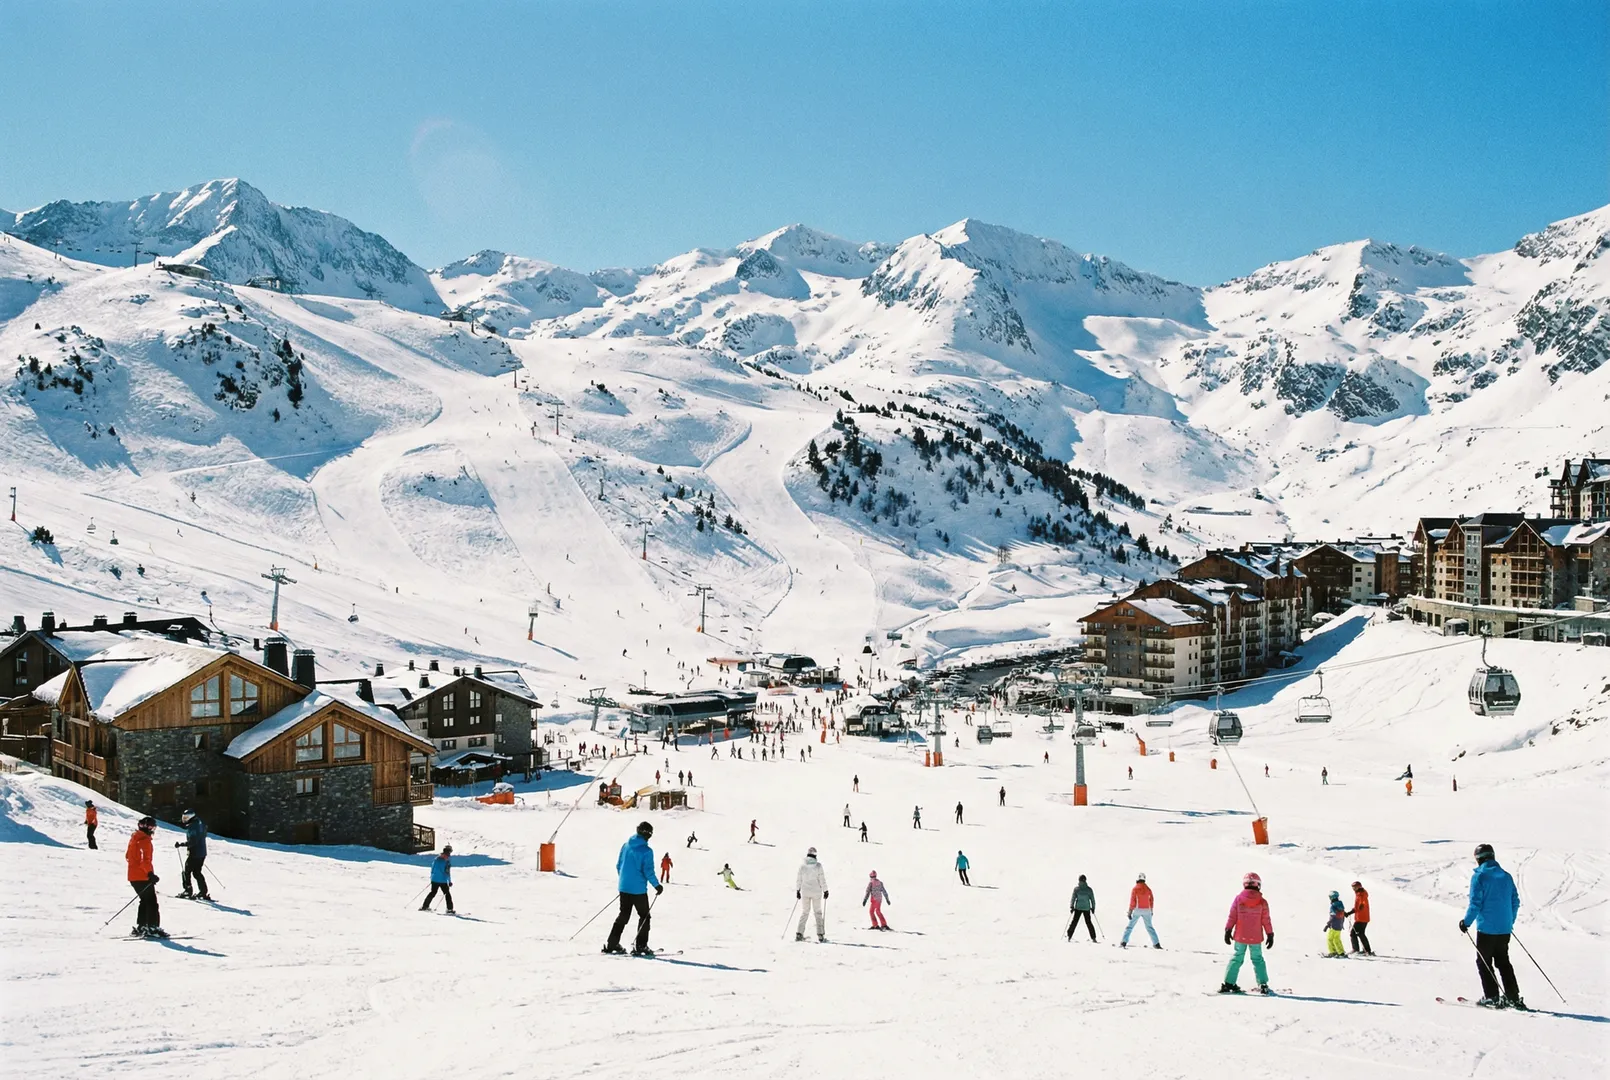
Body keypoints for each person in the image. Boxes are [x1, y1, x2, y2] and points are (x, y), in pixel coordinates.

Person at [1461, 843, 1524, 1008]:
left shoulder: (1479, 877)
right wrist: (1509, 921)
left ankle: (1492, 996)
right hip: (1505, 928)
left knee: (1483, 962)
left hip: (1486, 929)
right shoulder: (1506, 876)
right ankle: (1513, 996)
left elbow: (1475, 904)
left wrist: (1466, 923)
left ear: (1478, 859)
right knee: (1503, 962)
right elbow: (1515, 902)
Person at [604, 822, 663, 956]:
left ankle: (612, 943)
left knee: (623, 915)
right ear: (647, 834)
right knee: (644, 916)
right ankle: (641, 946)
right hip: (638, 891)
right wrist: (657, 885)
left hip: (624, 887)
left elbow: (619, 865)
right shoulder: (646, 851)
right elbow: (648, 871)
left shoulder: (626, 845)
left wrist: (625, 882)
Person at [1220, 871, 1274, 994]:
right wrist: (1270, 934)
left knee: (1237, 957)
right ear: (1258, 885)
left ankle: (1229, 983)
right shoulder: (1262, 902)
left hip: (1240, 936)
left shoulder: (1238, 899)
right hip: (1256, 937)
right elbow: (1266, 920)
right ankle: (1263, 984)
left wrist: (1228, 929)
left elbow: (1232, 916)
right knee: (1258, 959)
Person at [125, 816, 166, 938]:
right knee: (151, 902)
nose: (153, 830)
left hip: (133, 876)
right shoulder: (145, 841)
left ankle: (142, 926)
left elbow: (127, 856)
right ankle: (152, 928)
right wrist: (150, 874)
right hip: (142, 877)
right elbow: (145, 861)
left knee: (144, 901)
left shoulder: (134, 839)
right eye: (152, 827)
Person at [175, 810, 211, 900]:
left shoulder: (193, 827)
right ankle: (203, 891)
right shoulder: (199, 823)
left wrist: (181, 844)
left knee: (186, 871)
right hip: (202, 852)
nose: (184, 820)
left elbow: (193, 841)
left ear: (190, 817)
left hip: (195, 853)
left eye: (186, 818)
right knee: (197, 872)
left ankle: (188, 890)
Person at [795, 847, 829, 941]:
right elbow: (822, 879)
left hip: (805, 892)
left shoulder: (802, 866)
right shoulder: (818, 866)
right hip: (816, 892)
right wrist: (825, 890)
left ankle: (799, 933)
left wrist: (798, 890)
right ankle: (820, 935)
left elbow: (799, 879)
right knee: (817, 912)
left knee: (805, 912)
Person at [1120, 872, 1160, 948]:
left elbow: (1133, 901)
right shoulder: (1148, 889)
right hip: (1147, 910)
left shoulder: (1135, 889)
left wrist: (1130, 911)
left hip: (1137, 910)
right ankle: (1156, 943)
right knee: (1149, 927)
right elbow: (1151, 900)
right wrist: (1151, 910)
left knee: (1130, 926)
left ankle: (1124, 942)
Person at [421, 845, 455, 913]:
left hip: (434, 880)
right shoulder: (447, 862)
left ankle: (425, 906)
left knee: (433, 892)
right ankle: (450, 909)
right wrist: (449, 881)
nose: (449, 855)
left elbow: (432, 869)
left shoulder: (436, 859)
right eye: (449, 853)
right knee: (447, 894)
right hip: (442, 881)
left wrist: (432, 877)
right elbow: (447, 873)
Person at [1346, 881, 1373, 955]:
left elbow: (1363, 902)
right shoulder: (1358, 894)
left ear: (1359, 887)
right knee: (1361, 933)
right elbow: (1357, 907)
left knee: (1353, 933)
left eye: (1355, 887)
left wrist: (1362, 905)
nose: (1353, 889)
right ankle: (1367, 950)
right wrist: (1349, 913)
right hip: (1361, 917)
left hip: (1362, 918)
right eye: (1353, 887)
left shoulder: (1362, 894)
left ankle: (1356, 949)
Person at [1067, 875, 1096, 941]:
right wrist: (1093, 907)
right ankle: (1093, 937)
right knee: (1089, 923)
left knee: (1074, 922)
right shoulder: (1089, 889)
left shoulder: (1076, 889)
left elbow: (1073, 898)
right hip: (1086, 908)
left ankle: (1069, 935)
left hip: (1078, 908)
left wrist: (1072, 906)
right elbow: (1092, 899)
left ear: (1079, 880)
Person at [1324, 891, 1347, 957]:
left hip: (1334, 925)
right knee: (1337, 939)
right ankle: (1341, 952)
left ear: (1332, 897)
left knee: (1330, 939)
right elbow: (1342, 915)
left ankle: (1333, 952)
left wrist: (1328, 924)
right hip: (1339, 925)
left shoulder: (1333, 906)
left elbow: (1333, 917)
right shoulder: (1340, 904)